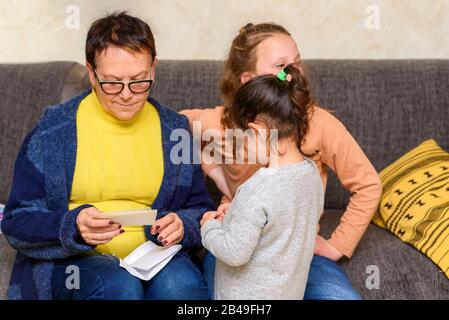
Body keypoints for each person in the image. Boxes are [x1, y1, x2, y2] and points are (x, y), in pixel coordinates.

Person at [1, 12, 214, 300]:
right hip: (76, 261)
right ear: (91, 73)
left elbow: (201, 209)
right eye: (112, 83)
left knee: (181, 289)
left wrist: (183, 225)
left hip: (154, 257)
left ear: (154, 68)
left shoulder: (174, 130)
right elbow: (17, 222)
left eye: (139, 81)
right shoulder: (53, 131)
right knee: (118, 285)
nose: (126, 94)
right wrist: (73, 226)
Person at [181, 23, 382, 300]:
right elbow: (172, 126)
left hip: (294, 250)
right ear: (248, 80)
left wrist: (337, 245)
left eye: (297, 63)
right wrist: (211, 168)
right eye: (282, 66)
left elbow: (369, 184)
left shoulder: (318, 123)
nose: (294, 73)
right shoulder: (223, 122)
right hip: (238, 243)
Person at [200, 65, 324, 299]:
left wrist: (209, 227)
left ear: (257, 132)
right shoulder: (310, 173)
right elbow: (287, 223)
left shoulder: (257, 188)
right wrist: (236, 211)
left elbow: (234, 252)